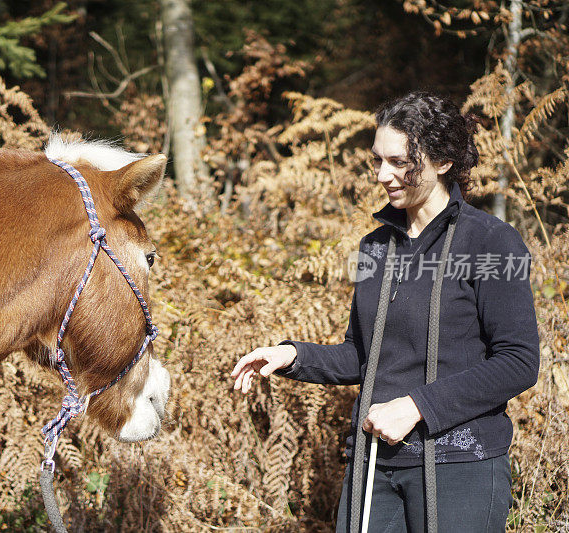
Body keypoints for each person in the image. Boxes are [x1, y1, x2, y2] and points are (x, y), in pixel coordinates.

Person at [231, 91, 540, 532]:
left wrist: (417, 405)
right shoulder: (374, 248)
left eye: (399, 162)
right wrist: (291, 356)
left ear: (442, 161)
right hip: (374, 463)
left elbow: (518, 363)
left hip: (460, 466)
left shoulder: (491, 242)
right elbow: (364, 355)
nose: (382, 175)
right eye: (377, 160)